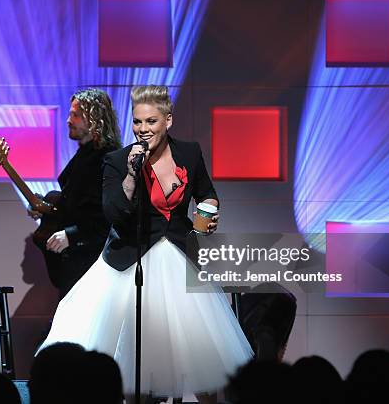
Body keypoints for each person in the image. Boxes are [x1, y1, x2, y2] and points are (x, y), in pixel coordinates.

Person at [37, 85, 253, 403]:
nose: (143, 129)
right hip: (129, 259)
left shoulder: (189, 153)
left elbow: (206, 192)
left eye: (151, 122)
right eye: (138, 122)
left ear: (168, 121)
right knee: (130, 365)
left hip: (178, 258)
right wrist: (130, 176)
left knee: (200, 360)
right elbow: (113, 212)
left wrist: (207, 214)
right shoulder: (117, 160)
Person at [28, 88, 121, 299]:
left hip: (93, 265)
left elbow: (107, 217)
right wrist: (44, 209)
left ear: (94, 119)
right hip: (78, 262)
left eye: (75, 115)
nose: (69, 120)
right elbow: (76, 204)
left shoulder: (107, 159)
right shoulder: (85, 155)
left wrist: (72, 235)